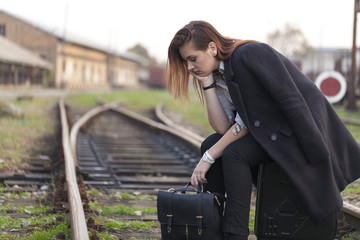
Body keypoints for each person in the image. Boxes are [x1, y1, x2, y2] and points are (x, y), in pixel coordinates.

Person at [166, 20, 360, 240]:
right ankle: (212, 229)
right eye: (186, 62)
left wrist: (208, 159)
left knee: (232, 153)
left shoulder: (248, 55)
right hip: (269, 133)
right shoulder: (220, 74)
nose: (190, 67)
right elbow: (223, 127)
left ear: (212, 48)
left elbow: (250, 121)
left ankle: (235, 233)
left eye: (193, 59)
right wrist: (208, 84)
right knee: (210, 144)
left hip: (296, 134)